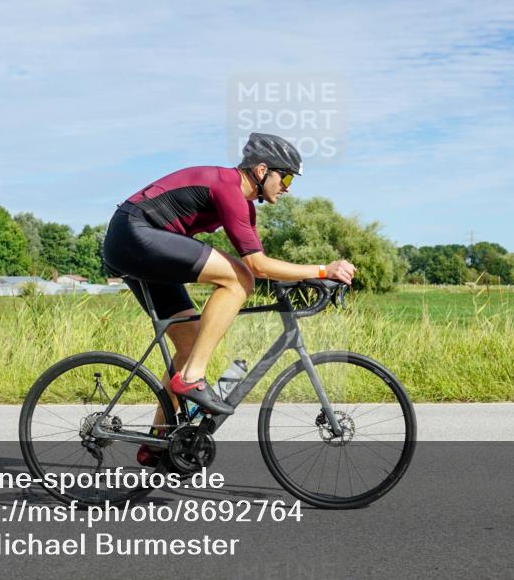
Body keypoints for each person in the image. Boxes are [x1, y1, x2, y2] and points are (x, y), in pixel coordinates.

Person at [102, 132, 356, 464]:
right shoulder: (228, 188)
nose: (288, 187)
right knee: (239, 279)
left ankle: (158, 443)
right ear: (263, 170)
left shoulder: (243, 206)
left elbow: (264, 260)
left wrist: (311, 277)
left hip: (141, 242)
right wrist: (324, 270)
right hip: (135, 234)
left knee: (189, 339)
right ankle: (192, 378)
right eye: (287, 176)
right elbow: (256, 267)